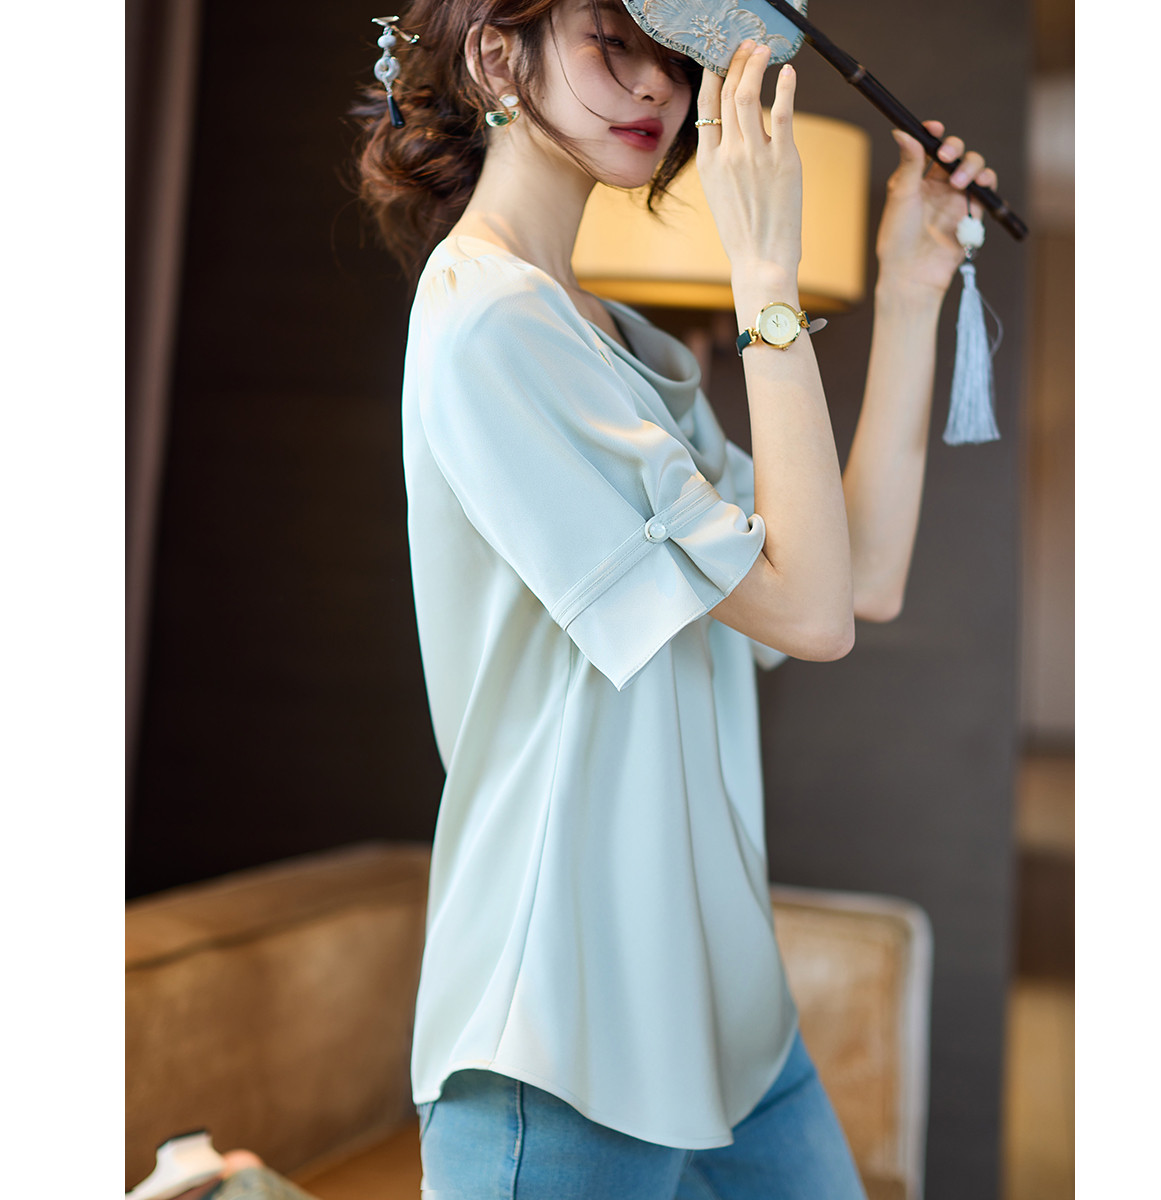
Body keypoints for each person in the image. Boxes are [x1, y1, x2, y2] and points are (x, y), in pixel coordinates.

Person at [350, 2, 997, 1196]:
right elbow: (812, 615)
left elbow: (858, 577)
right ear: (496, 55)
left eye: (672, 54)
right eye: (613, 38)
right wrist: (764, 271)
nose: (658, 84)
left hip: (725, 1012)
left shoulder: (613, 339)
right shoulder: (489, 323)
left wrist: (910, 287)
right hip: (565, 1035)